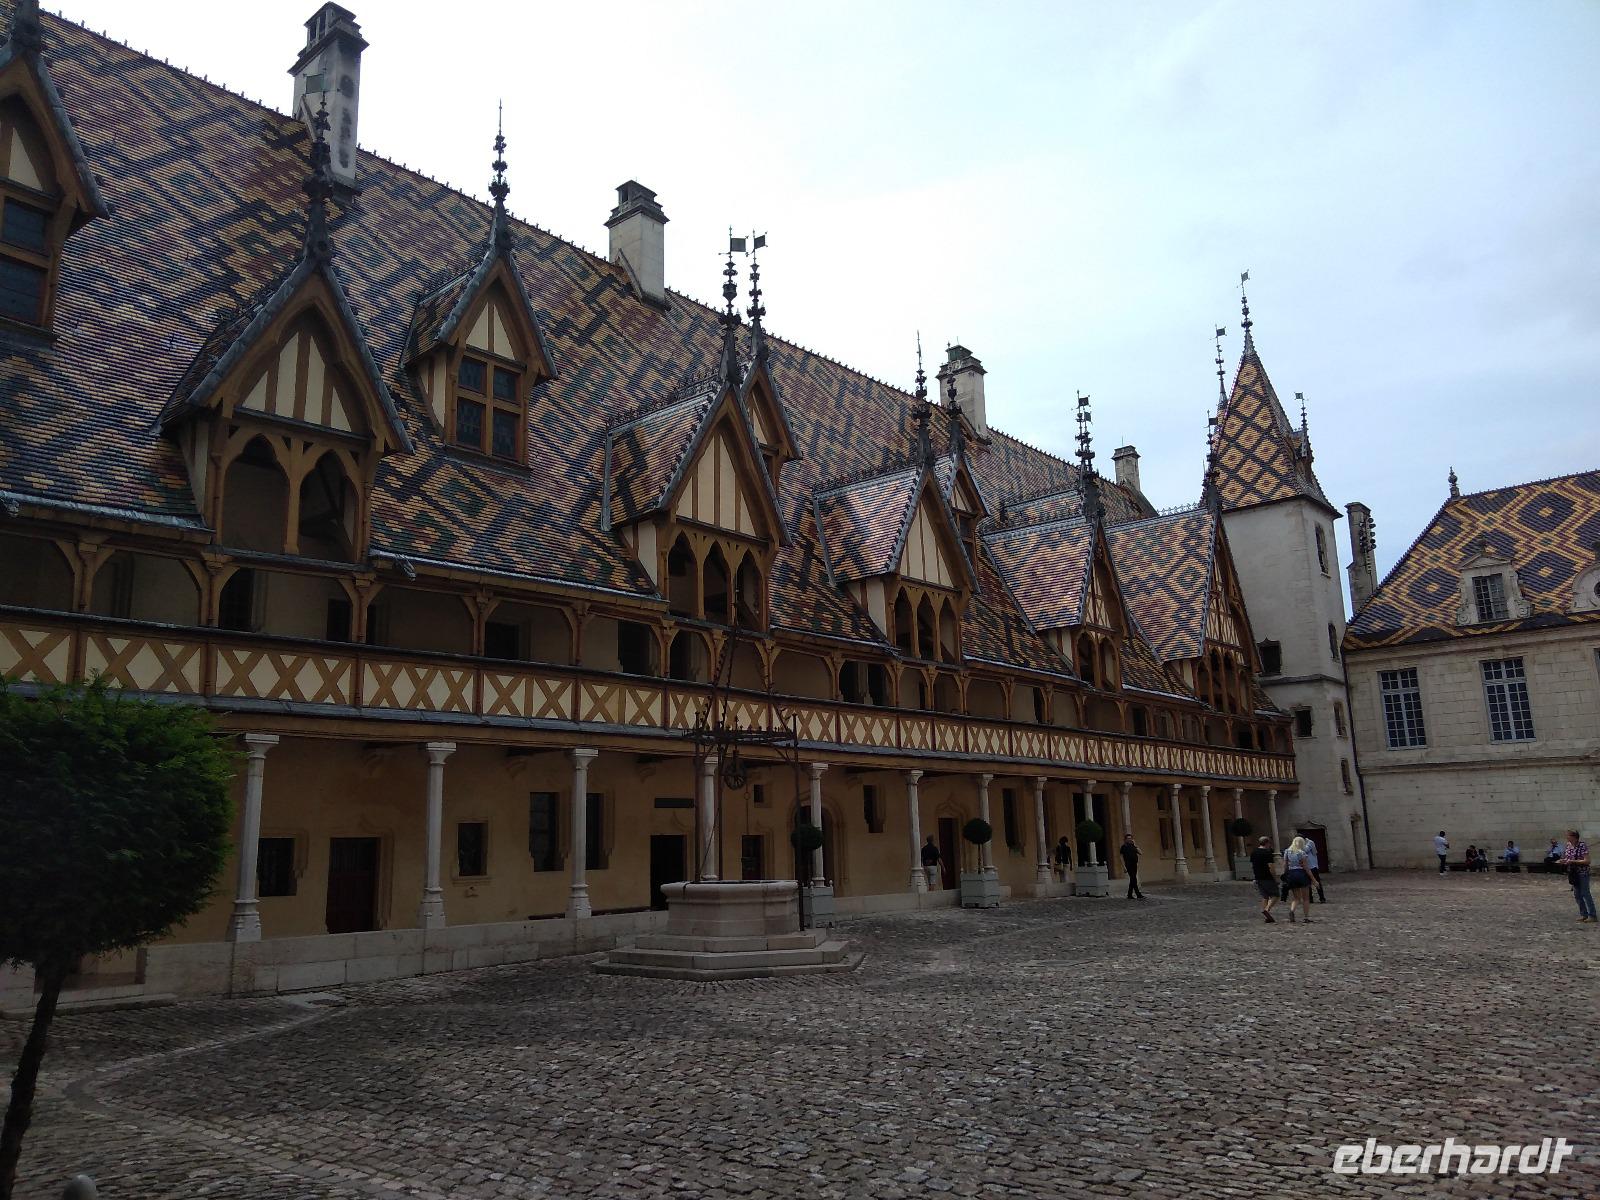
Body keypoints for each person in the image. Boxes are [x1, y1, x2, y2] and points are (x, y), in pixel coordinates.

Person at [1561, 829, 1594, 923]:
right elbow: (1567, 857)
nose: (1567, 837)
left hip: (1583, 873)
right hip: (1573, 873)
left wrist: (1572, 861)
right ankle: (1584, 914)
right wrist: (1563, 861)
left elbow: (1587, 861)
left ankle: (1592, 915)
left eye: (1568, 835)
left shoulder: (1582, 845)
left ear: (1574, 837)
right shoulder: (1568, 845)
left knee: (1585, 893)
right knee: (1577, 895)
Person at [1282, 836, 1314, 923]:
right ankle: (1306, 917)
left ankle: (1292, 911)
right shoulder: (1301, 853)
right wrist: (1313, 879)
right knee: (1306, 898)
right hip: (1301, 874)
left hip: (1292, 874)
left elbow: (1285, 865)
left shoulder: (1287, 851)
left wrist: (1286, 874)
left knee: (1296, 898)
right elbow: (1306, 867)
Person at [1250, 836, 1278, 923]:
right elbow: (1271, 867)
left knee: (1265, 896)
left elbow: (1252, 866)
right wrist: (1275, 877)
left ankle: (1267, 917)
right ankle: (1267, 909)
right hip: (1267, 877)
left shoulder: (1254, 852)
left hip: (1258, 877)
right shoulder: (1267, 853)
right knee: (1275, 895)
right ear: (1267, 843)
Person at [1120, 834, 1144, 900]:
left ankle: (1129, 894)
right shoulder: (1123, 847)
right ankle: (1138, 894)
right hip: (1128, 865)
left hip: (1134, 864)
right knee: (1133, 878)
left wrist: (1135, 845)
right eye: (1128, 838)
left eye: (1130, 838)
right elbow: (1121, 857)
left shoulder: (1133, 846)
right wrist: (1124, 866)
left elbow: (1141, 853)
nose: (1129, 839)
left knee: (1132, 879)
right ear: (1125, 839)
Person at [1303, 836, 1326, 903]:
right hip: (1306, 867)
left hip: (1312, 866)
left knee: (1316, 882)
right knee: (1307, 884)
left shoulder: (1310, 842)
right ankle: (1310, 899)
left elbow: (1305, 850)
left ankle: (1322, 898)